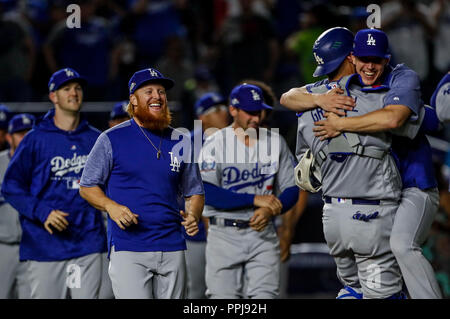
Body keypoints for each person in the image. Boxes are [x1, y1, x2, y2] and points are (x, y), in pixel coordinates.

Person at [282, 28, 443, 299]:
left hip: (355, 206)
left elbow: (287, 98)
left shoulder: (398, 79)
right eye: (362, 60)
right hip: (372, 208)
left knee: (367, 278)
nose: (368, 66)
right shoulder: (364, 98)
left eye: (375, 60)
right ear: (353, 58)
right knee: (379, 290)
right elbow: (427, 120)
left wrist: (332, 116)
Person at [79, 67, 205, 299]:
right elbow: (87, 186)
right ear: (133, 100)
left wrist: (193, 215)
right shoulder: (111, 139)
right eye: (149, 91)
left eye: (161, 91)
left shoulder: (181, 140)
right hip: (129, 247)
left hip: (173, 245)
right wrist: (111, 206)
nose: (157, 96)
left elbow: (194, 191)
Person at [1, 68, 107, 299]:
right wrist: (43, 212)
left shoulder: (96, 139)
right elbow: (11, 186)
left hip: (86, 245)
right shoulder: (35, 139)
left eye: (78, 88)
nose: (74, 93)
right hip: (44, 247)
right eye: (66, 89)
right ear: (53, 97)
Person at [198, 83, 299, 299]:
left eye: (259, 111)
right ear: (233, 110)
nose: (256, 118)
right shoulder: (215, 143)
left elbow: (291, 189)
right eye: (250, 112)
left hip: (262, 234)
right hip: (224, 234)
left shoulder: (275, 142)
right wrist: (255, 200)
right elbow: (207, 191)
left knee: (265, 297)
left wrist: (270, 211)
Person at [183, 91, 230, 299]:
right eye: (217, 110)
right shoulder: (186, 145)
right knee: (194, 292)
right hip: (194, 234)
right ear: (202, 117)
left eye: (225, 108)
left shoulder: (238, 140)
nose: (225, 113)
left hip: (229, 232)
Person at [0, 113, 35, 299]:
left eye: (30, 133)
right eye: (20, 133)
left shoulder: (41, 166)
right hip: (2, 247)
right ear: (9, 137)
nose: (25, 138)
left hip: (31, 246)